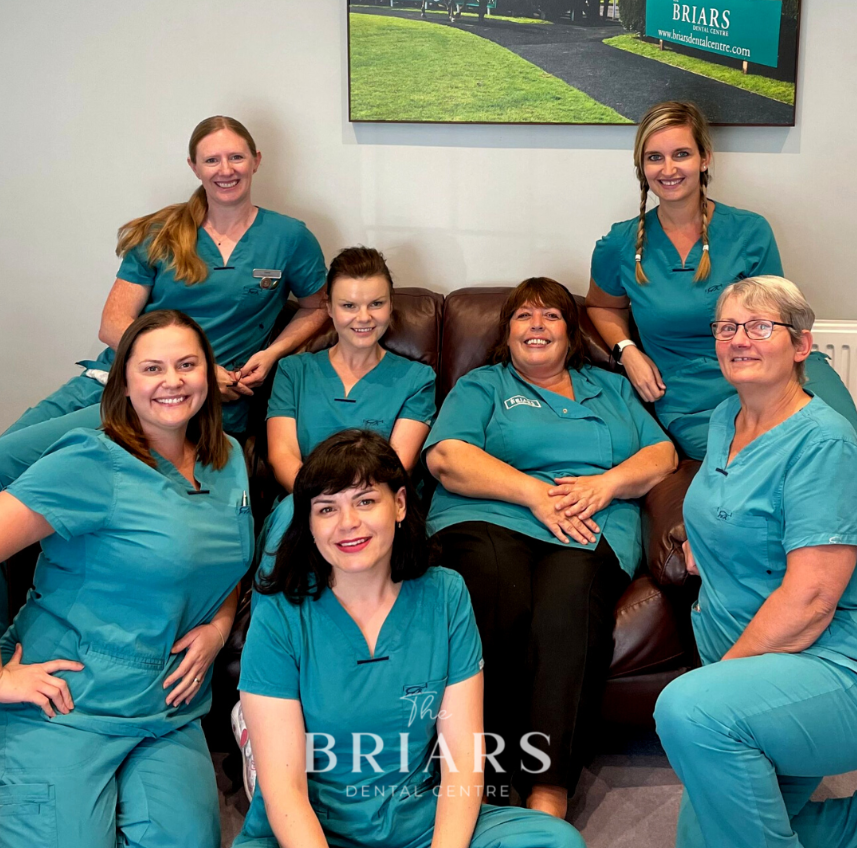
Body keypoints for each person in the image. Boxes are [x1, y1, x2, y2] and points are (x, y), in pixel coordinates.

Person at [233, 428, 584, 848]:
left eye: (365, 501)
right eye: (327, 509)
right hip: (311, 828)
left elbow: (463, 760)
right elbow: (285, 790)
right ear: (308, 523)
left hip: (420, 822)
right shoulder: (279, 614)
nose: (348, 523)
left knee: (555, 841)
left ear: (399, 503)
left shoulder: (445, 595)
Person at [424, 278, 678, 817]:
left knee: (566, 609)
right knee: (494, 593)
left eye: (551, 316)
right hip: (490, 516)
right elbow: (446, 457)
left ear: (571, 333)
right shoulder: (483, 385)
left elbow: (662, 455)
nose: (536, 325)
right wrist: (534, 494)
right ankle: (484, 780)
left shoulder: (609, 389)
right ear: (506, 333)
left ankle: (548, 787)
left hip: (589, 524)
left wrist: (606, 485)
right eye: (523, 316)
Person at [0, 310, 252, 848]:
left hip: (166, 709)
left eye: (187, 365)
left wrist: (218, 628)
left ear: (209, 373)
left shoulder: (227, 457)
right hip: (65, 702)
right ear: (124, 382)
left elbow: (219, 560)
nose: (172, 381)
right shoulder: (89, 462)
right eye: (152, 368)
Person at [0, 115, 327, 492]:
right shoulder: (162, 232)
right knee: (7, 455)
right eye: (211, 160)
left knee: (17, 464)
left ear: (256, 160)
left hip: (188, 401)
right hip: (114, 378)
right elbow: (113, 324)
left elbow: (318, 307)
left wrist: (272, 354)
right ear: (194, 167)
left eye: (236, 157)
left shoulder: (290, 238)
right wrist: (198, 369)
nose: (225, 170)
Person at [654, 276, 857, 848]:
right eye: (727, 327)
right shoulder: (726, 416)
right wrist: (703, 542)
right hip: (757, 666)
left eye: (761, 326)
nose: (739, 339)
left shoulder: (824, 443)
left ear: (801, 345)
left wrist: (719, 683)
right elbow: (730, 503)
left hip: (826, 665)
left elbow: (812, 601)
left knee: (689, 712)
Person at [586, 100, 857, 461]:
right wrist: (627, 350)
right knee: (764, 463)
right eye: (654, 157)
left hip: (775, 373)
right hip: (693, 397)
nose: (668, 169)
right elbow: (602, 305)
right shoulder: (619, 244)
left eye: (681, 154)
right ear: (642, 165)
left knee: (841, 446)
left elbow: (777, 321)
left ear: (704, 158)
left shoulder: (749, 231)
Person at [266, 245, 436, 492]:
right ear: (329, 307)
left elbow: (399, 465)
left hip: (377, 502)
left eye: (376, 304)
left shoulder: (417, 379)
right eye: (349, 305)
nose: (364, 317)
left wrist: (350, 505)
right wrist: (323, 503)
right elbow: (282, 456)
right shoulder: (293, 372)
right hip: (304, 499)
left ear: (390, 305)